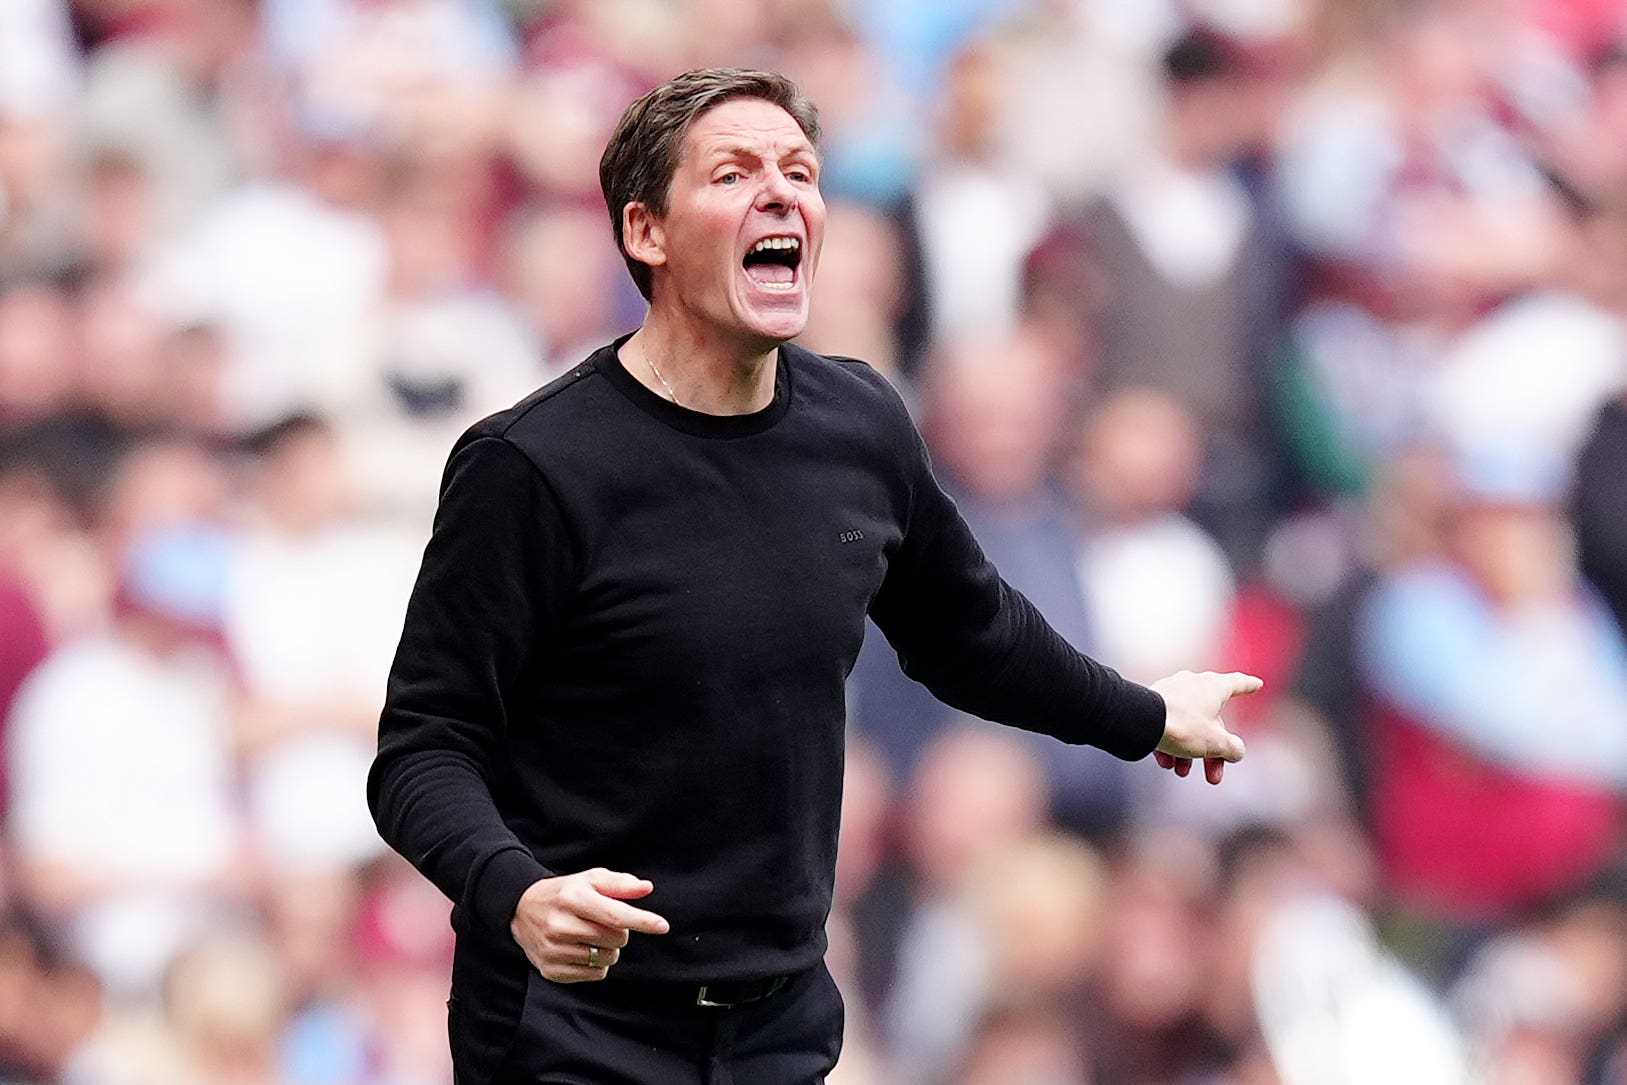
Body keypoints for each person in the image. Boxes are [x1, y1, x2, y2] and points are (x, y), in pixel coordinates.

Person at [368, 67, 1260, 1085]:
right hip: (574, 1025)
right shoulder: (533, 466)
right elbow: (422, 751)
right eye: (734, 172)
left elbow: (975, 635)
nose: (780, 192)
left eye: (799, 170)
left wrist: (1145, 714)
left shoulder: (861, 425)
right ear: (647, 232)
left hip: (779, 1025)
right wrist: (514, 888)